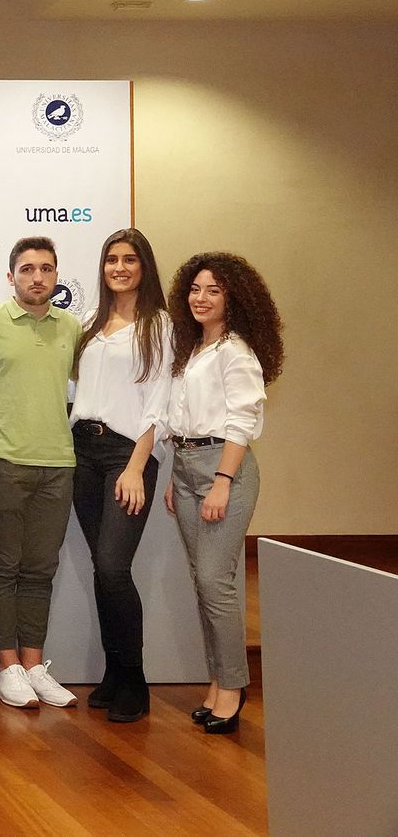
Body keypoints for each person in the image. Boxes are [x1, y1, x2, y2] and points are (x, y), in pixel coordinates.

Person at [164, 252, 282, 735]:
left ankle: (233, 689)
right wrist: (178, 478)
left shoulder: (236, 350)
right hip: (187, 466)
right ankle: (219, 682)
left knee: (216, 582)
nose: (201, 298)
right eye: (195, 289)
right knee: (204, 582)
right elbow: (178, 420)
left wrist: (222, 483)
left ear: (234, 298)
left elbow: (241, 421)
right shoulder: (191, 349)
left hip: (223, 469)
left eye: (213, 290)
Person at [0, 237, 82, 709]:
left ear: (57, 276)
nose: (38, 277)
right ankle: (7, 668)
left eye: (47, 269)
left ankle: (34, 666)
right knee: (3, 568)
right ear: (10, 275)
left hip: (59, 463)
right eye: (28, 268)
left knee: (40, 571)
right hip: (3, 462)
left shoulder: (72, 327)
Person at [69, 228, 171, 723]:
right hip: (81, 451)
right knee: (100, 567)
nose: (120, 267)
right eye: (112, 259)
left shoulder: (161, 326)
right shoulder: (89, 322)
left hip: (126, 454)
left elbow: (160, 405)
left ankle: (135, 678)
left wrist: (135, 466)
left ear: (144, 267)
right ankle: (113, 671)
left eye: (130, 259)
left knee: (113, 566)